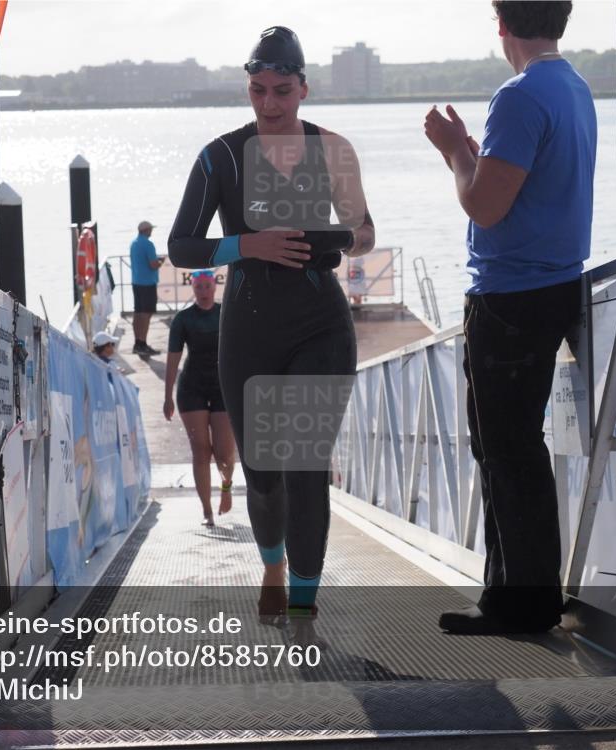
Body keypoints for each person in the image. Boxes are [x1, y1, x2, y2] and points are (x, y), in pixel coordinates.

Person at [168, 26, 375, 625]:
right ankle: (273, 567)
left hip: (320, 324)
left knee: (307, 466)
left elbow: (364, 231)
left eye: (281, 90)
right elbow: (183, 248)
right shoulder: (221, 155)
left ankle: (306, 605)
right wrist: (248, 244)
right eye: (257, 90)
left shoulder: (333, 149)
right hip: (250, 329)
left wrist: (340, 240)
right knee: (263, 474)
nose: (268, 104)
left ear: (303, 89)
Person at [423, 0, 595, 635]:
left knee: (505, 448)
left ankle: (520, 605)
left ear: (502, 25)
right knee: (515, 446)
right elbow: (520, 186)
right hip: (552, 286)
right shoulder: (573, 87)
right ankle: (519, 596)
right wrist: (475, 153)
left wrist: (453, 153)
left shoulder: (520, 96)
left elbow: (484, 207)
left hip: (511, 296)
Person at [163, 270, 235, 528]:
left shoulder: (225, 313)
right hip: (191, 387)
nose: (203, 291)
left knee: (224, 453)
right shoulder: (183, 319)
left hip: (222, 386)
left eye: (207, 286)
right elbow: (173, 358)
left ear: (214, 288)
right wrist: (167, 396)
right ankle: (207, 511)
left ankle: (226, 487)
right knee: (201, 450)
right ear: (193, 289)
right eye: (199, 287)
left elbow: (244, 348)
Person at [130, 220, 164, 356]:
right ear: (146, 230)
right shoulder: (148, 244)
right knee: (146, 314)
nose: (152, 231)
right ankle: (142, 344)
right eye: (150, 229)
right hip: (147, 283)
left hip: (136, 282)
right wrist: (161, 261)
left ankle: (137, 342)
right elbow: (153, 265)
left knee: (138, 312)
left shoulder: (134, 243)